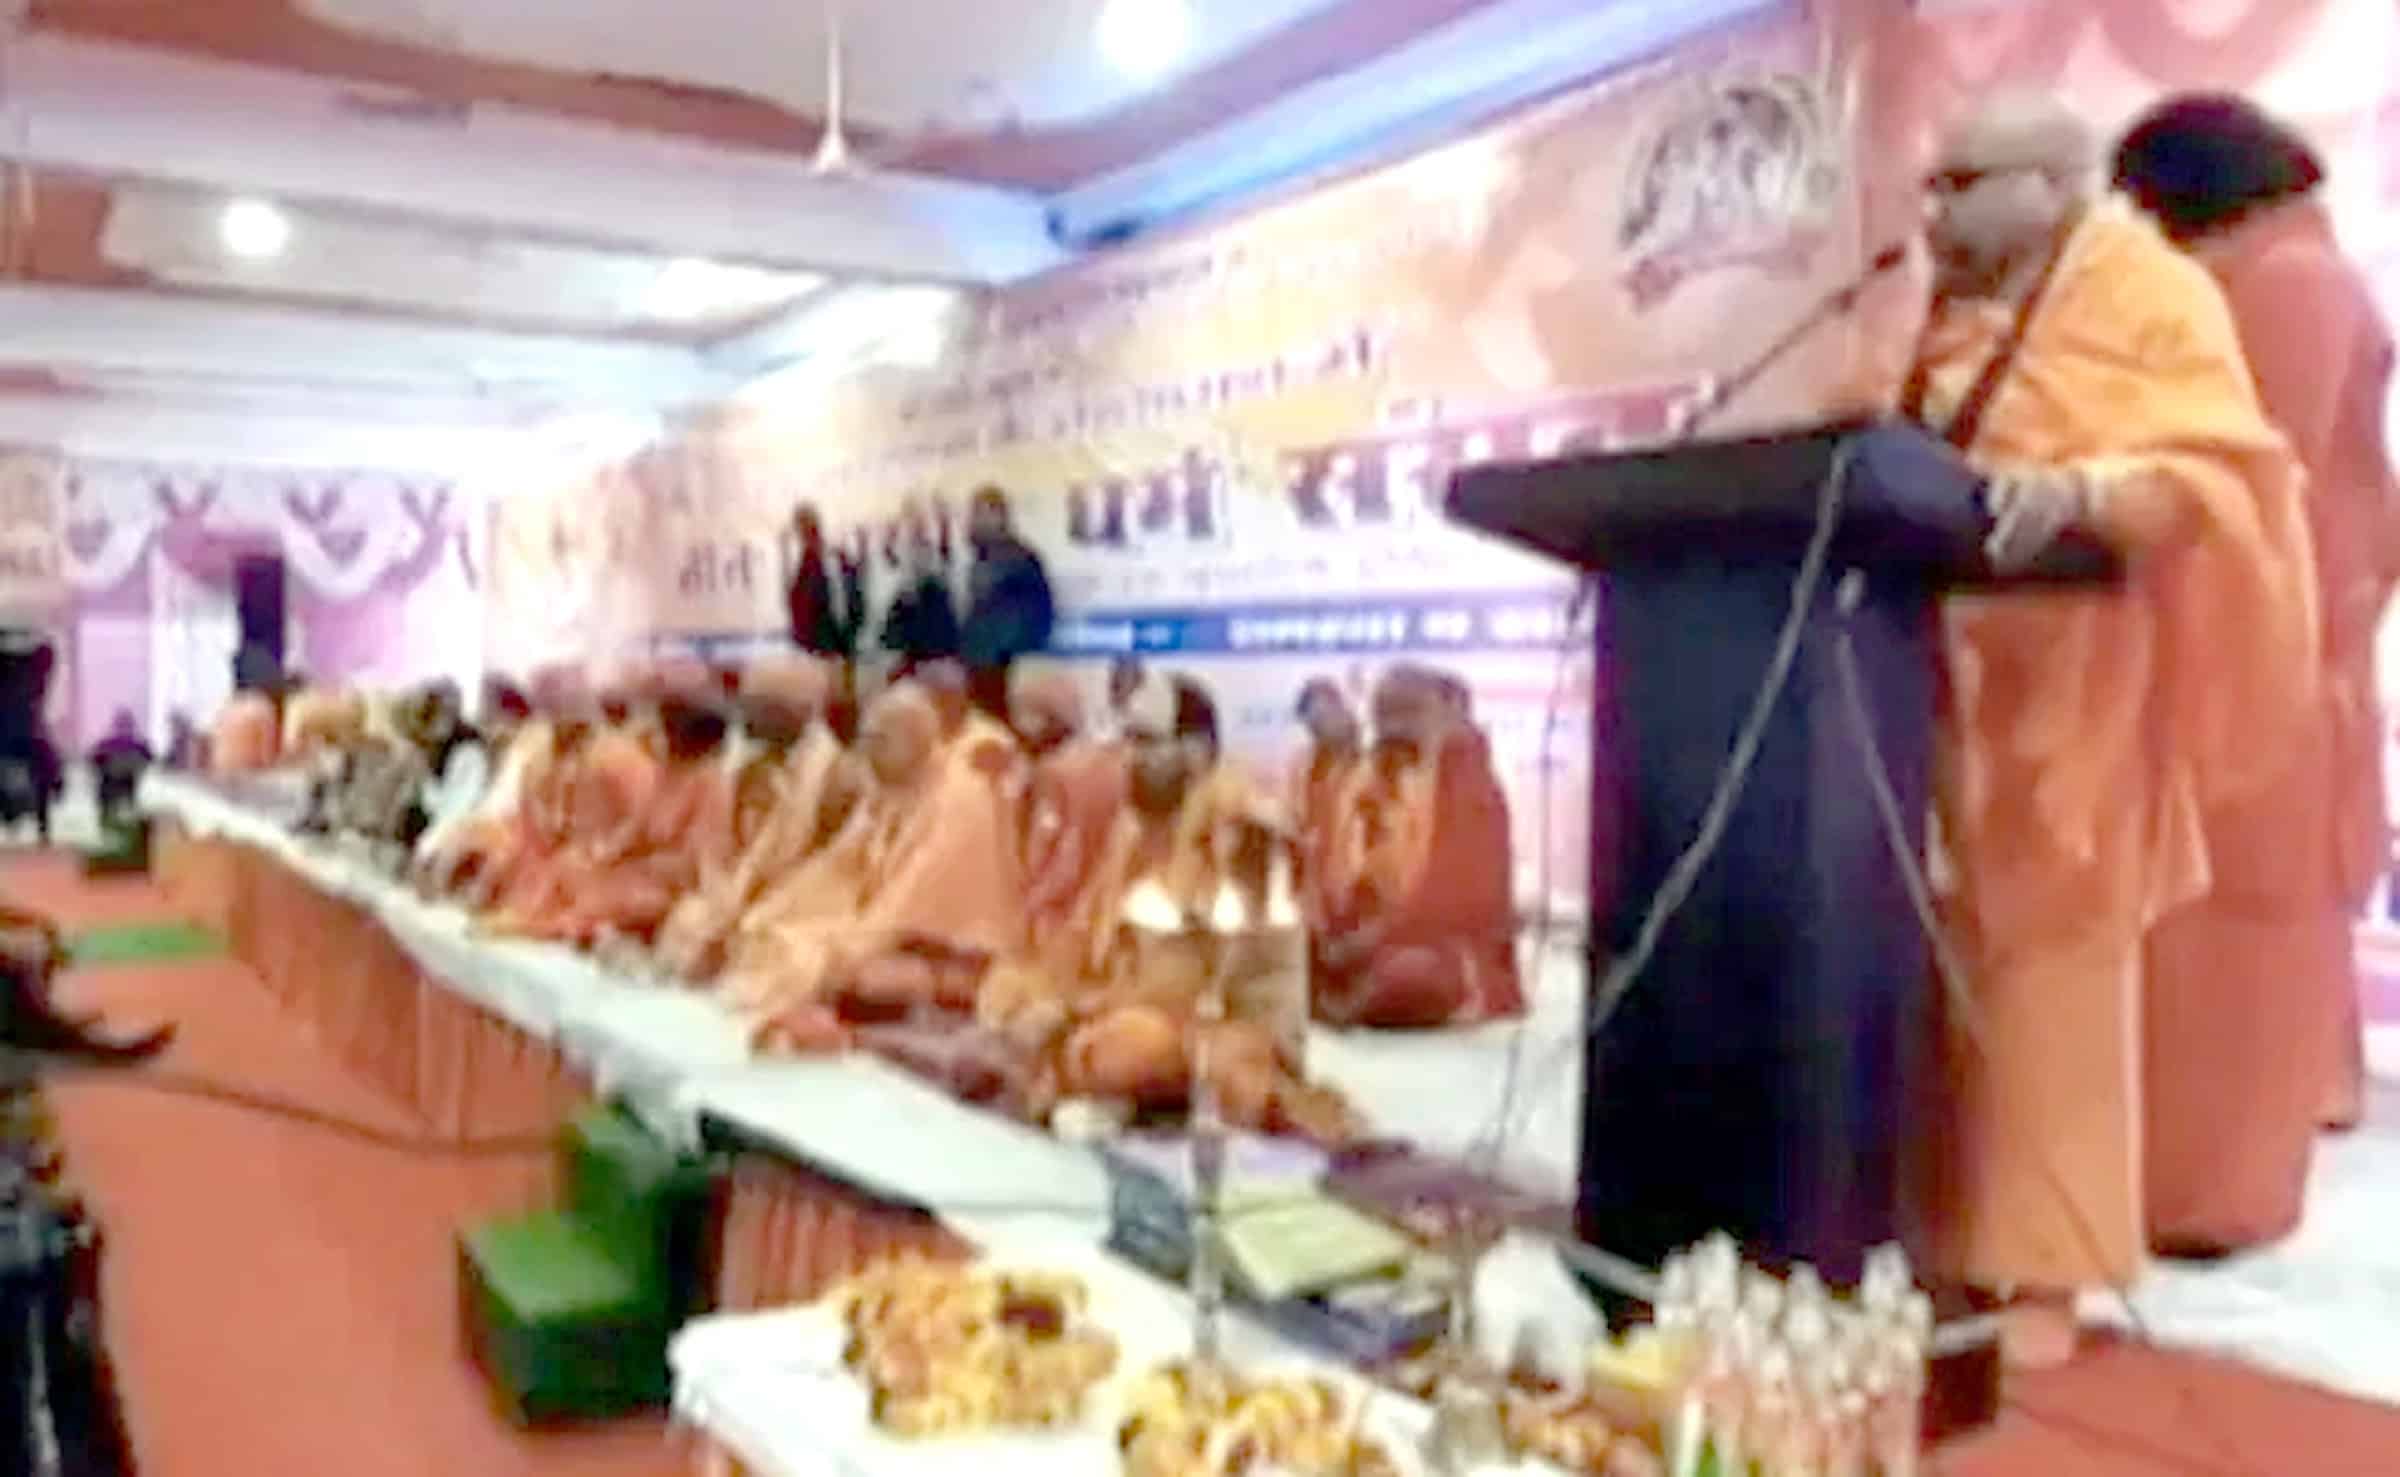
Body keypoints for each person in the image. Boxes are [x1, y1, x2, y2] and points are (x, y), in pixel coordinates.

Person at [1900, 92, 2317, 1366]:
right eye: (1935, 186)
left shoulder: (2150, 293)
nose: (1936, 211)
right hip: (1933, 679)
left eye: (1965, 181)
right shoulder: (1948, 310)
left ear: (2053, 183)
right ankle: (1940, 1237)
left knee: (2054, 992)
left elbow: (2227, 474)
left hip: (2074, 689)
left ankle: (2047, 1272)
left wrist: (2092, 491)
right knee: (1937, 978)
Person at [2115, 97, 2400, 1251]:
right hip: (2278, 641)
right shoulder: (2299, 272)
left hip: (2255, 646)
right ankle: (2221, 1173)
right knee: (2251, 920)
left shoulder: (2282, 286)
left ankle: (2209, 1192)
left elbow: (2248, 474)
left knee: (2230, 923)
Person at [978, 674, 1351, 1142]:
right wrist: (1041, 995)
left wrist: (1073, 1012)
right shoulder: (1137, 827)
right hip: (1133, 1011)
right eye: (1130, 741)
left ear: (1197, 751)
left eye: (1148, 742)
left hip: (1229, 1034)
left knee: (1125, 1048)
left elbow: (1187, 986)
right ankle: (1096, 1083)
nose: (1131, 757)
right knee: (1010, 990)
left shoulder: (1239, 831)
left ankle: (1100, 1085)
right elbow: (1086, 937)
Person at [718, 681, 1024, 1051]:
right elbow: (838, 864)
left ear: (915, 739)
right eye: (866, 738)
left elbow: (907, 903)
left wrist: (841, 946)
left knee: (820, 959)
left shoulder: (958, 799)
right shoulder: (891, 783)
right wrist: (772, 911)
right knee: (778, 934)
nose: (867, 751)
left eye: (879, 740)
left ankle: (814, 1030)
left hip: (943, 952)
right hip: (879, 928)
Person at [1313, 665, 1524, 1028]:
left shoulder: (1470, 786)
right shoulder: (1362, 778)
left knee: (1415, 974)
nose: (1394, 726)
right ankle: (1350, 993)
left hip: (1444, 951)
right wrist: (1330, 931)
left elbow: (1458, 904)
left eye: (1408, 711)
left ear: (1440, 716)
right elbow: (1331, 870)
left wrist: (1375, 938)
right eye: (1384, 714)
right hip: (1361, 944)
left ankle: (1357, 998)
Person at [657, 653, 864, 982]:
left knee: (775, 946)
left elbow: (830, 869)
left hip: (800, 901)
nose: (747, 718)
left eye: (761, 709)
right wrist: (727, 899)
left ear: (793, 714)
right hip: (744, 891)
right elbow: (723, 848)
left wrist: (759, 907)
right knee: (690, 920)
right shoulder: (748, 766)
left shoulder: (838, 777)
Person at [1008, 662, 1129, 948]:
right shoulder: (1113, 763)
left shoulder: (1056, 773)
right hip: (1100, 914)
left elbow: (1057, 856)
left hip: (1057, 923)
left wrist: (1025, 907)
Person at [961, 487, 1057, 719]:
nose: (979, 520)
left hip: (1003, 664)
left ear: (1001, 516)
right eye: (976, 513)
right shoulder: (981, 557)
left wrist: (1011, 649)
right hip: (981, 662)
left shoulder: (1018, 558)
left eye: (986, 513)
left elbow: (1039, 611)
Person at [1287, 679, 1366, 938]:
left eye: (1323, 720)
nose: (1317, 732)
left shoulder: (1374, 761)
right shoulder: (1303, 766)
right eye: (1311, 727)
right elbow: (1295, 826)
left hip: (1365, 897)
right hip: (1316, 901)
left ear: (1341, 708)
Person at [878, 511, 963, 677]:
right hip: (918, 660)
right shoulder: (904, 595)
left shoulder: (938, 589)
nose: (919, 557)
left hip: (937, 659)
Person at [785, 502, 865, 661]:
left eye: (805, 527)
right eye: (802, 528)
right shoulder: (809, 558)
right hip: (824, 632)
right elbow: (799, 597)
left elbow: (851, 586)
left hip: (835, 628)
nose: (803, 534)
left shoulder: (828, 554)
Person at [88, 710, 152, 822]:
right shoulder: (138, 745)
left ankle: (111, 820)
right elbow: (148, 759)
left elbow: (93, 760)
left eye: (125, 725)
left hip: (116, 784)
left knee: (113, 812)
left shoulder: (107, 743)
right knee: (120, 811)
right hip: (119, 784)